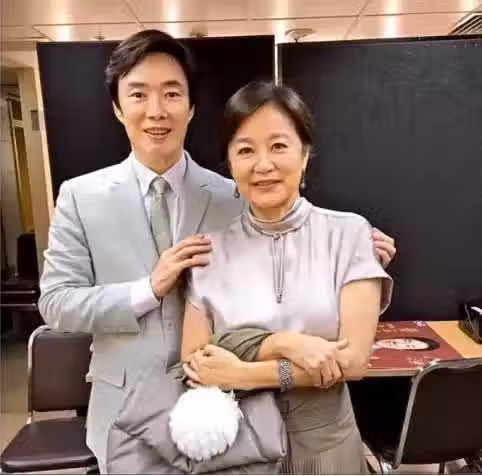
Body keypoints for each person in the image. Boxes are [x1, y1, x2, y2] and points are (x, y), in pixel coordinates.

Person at [38, 30, 396, 473]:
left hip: (237, 423)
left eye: (172, 93)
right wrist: (147, 289)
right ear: (117, 106)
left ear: (191, 107)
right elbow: (56, 302)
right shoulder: (80, 197)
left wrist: (354, 250)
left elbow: (286, 236)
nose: (156, 110)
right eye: (139, 94)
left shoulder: (234, 194)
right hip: (132, 419)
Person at [180, 81, 394, 474]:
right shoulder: (208, 251)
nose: (263, 165)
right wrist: (285, 344)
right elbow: (195, 362)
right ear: (229, 162)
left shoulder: (349, 234)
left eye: (278, 146)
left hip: (327, 446)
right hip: (240, 451)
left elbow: (352, 361)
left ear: (305, 153)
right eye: (245, 150)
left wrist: (244, 374)